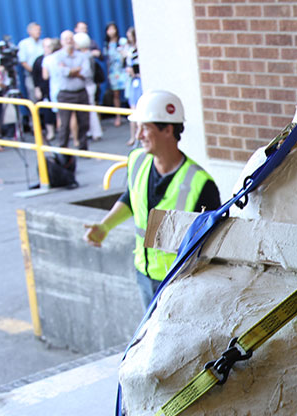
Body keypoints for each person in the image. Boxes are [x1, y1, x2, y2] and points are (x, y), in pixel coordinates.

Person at [83, 91, 221, 307]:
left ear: (168, 129)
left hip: (177, 281)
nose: (138, 136)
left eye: (145, 128)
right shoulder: (137, 161)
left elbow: (212, 243)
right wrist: (105, 226)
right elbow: (131, 198)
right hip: (143, 273)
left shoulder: (200, 183)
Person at [48, 30, 92, 152]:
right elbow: (62, 72)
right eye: (66, 39)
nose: (69, 41)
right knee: (65, 124)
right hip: (65, 94)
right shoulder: (56, 57)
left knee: (84, 122)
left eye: (71, 38)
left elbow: (87, 73)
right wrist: (75, 71)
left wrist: (70, 71)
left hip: (81, 92)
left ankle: (83, 148)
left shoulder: (82, 56)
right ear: (61, 42)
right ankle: (63, 150)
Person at [73, 32, 102, 142]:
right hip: (89, 85)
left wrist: (76, 73)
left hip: (88, 85)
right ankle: (91, 131)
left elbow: (88, 73)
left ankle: (96, 132)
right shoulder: (87, 55)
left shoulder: (85, 56)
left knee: (91, 108)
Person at [32, 38, 58, 141]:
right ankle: (50, 131)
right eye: (46, 46)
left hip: (56, 87)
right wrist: (37, 89)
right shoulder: (39, 60)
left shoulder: (57, 58)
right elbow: (35, 76)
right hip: (44, 89)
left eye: (50, 46)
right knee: (47, 111)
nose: (48, 48)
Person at [103, 22, 128, 127]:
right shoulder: (107, 45)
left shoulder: (122, 41)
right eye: (109, 30)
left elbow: (127, 54)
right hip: (114, 72)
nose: (111, 32)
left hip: (123, 70)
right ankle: (118, 116)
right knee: (116, 95)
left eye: (113, 29)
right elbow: (108, 60)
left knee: (128, 93)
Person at [17, 22, 43, 100]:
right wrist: (35, 72)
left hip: (43, 75)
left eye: (39, 30)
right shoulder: (24, 44)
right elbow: (23, 61)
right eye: (35, 30)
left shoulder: (43, 43)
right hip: (31, 75)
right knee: (34, 97)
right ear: (29, 32)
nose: (38, 32)